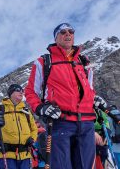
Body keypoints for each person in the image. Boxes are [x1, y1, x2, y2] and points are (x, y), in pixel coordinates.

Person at [25, 23, 101, 169]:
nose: (68, 34)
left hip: (86, 123)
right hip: (60, 123)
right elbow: (30, 91)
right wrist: (41, 107)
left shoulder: (83, 61)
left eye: (71, 32)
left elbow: (90, 90)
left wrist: (96, 100)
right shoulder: (44, 62)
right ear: (56, 37)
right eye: (63, 32)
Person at [0, 84, 38, 169]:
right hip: (6, 155)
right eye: (18, 90)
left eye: (22, 90)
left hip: (25, 156)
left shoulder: (26, 112)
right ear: (11, 93)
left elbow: (34, 129)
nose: (21, 92)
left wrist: (32, 139)